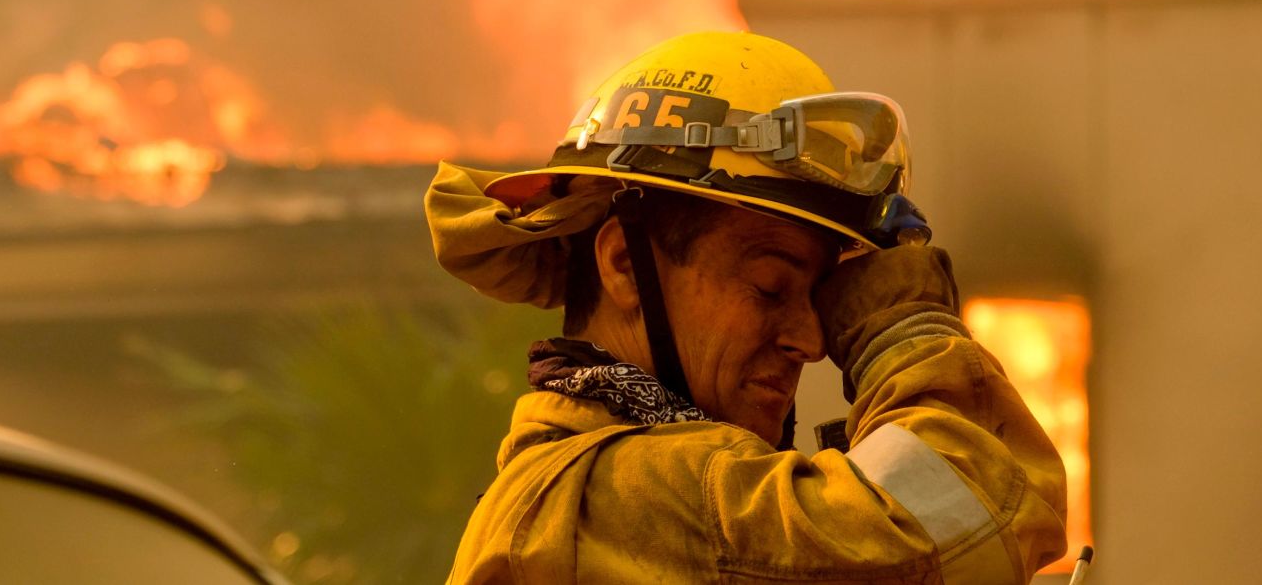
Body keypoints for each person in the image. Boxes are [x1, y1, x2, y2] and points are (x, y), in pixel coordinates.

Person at [425, 31, 1067, 583]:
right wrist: (905, 331)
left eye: (818, 297)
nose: (811, 341)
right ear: (623, 263)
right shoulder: (622, 495)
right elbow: (977, 516)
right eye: (769, 287)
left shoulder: (598, 495)